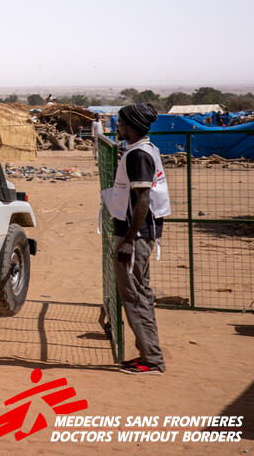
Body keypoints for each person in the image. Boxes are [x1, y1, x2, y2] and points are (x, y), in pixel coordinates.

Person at [110, 103, 171, 374]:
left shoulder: (139, 155)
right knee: (140, 295)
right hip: (137, 234)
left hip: (135, 236)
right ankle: (148, 353)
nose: (117, 127)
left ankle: (152, 360)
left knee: (134, 296)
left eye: (121, 123)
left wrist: (129, 240)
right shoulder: (142, 150)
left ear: (132, 126)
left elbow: (143, 200)